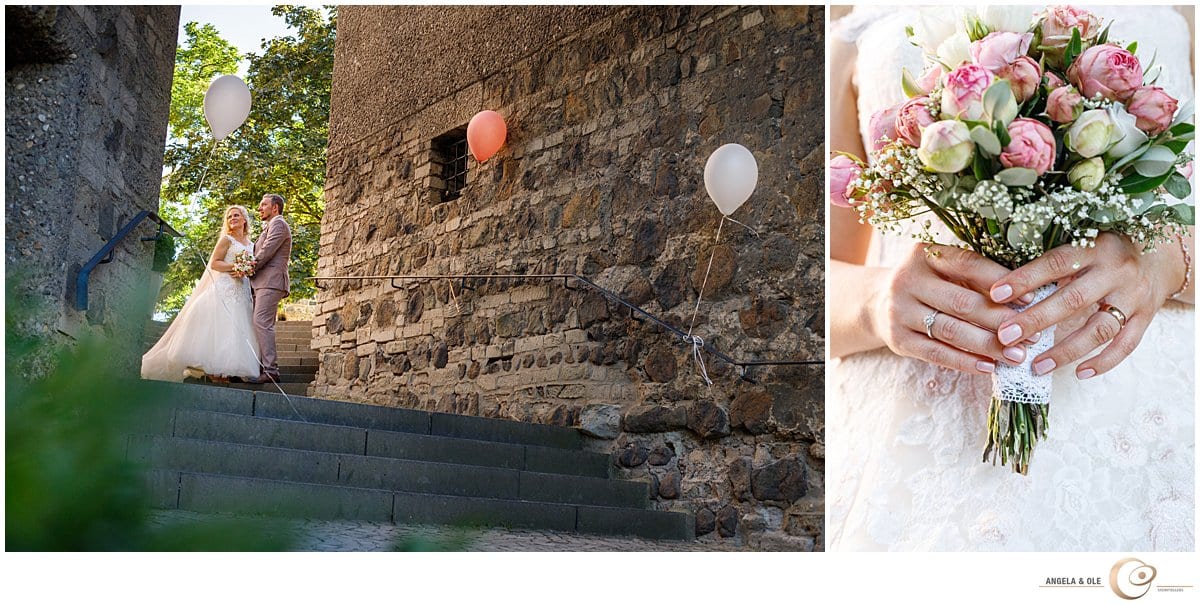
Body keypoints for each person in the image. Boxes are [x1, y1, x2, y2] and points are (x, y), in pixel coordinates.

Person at [827, 6, 1194, 551]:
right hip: (914, 421)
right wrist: (875, 302)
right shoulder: (848, 18)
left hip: (1144, 410)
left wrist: (1166, 262)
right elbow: (813, 281)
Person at [142, 206, 261, 382]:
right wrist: (236, 267)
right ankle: (213, 371)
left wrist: (247, 269)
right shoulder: (226, 240)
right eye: (229, 217)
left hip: (242, 289)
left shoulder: (252, 245)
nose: (232, 218)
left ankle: (227, 371)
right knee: (220, 326)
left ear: (244, 219)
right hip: (224, 287)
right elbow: (215, 263)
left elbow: (253, 266)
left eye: (236, 215)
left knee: (237, 327)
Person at [247, 193, 292, 384]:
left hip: (271, 281)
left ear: (275, 208)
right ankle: (260, 366)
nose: (259, 208)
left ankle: (271, 370)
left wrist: (250, 266)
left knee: (261, 322)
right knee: (258, 322)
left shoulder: (279, 223)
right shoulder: (270, 225)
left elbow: (267, 249)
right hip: (261, 282)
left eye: (263, 205)